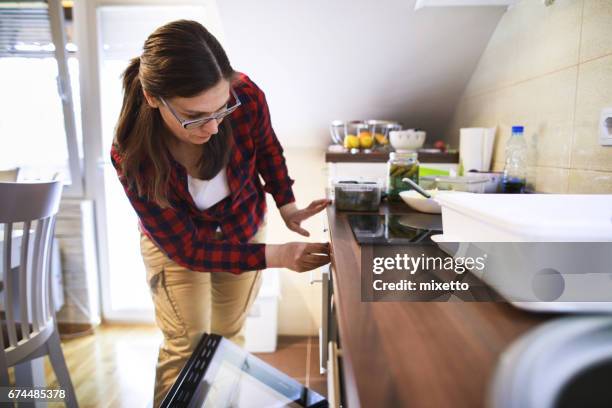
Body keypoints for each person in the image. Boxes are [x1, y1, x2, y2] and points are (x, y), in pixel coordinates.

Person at [110, 19, 331, 406]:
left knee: (228, 342)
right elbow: (189, 250)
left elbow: (268, 150)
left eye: (221, 109)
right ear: (152, 97)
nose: (212, 128)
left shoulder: (246, 97)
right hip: (176, 248)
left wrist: (287, 205)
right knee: (186, 347)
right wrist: (278, 256)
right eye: (194, 116)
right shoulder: (132, 155)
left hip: (242, 227)